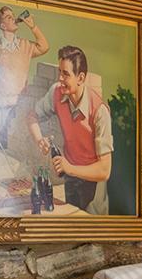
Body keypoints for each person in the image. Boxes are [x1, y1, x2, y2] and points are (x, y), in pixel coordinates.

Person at [34, 45, 113, 214]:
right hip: (70, 181)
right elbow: (31, 115)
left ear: (81, 77)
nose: (60, 79)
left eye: (66, 74)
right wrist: (39, 138)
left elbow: (105, 171)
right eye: (60, 73)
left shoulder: (99, 111)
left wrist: (69, 168)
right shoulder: (56, 92)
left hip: (94, 187)